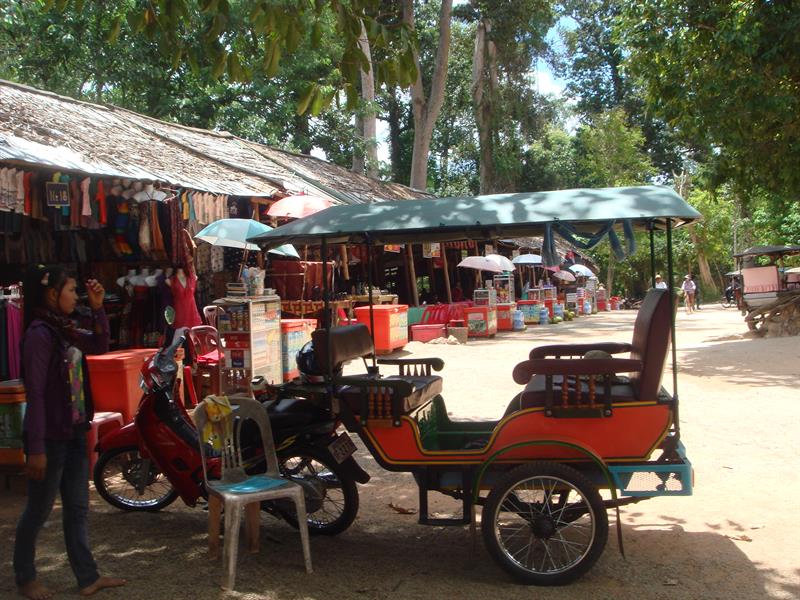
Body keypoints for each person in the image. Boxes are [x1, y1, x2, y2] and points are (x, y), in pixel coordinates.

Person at [14, 266, 125, 600]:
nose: (76, 295)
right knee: (38, 511)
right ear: (52, 294)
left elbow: (101, 344)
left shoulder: (64, 330)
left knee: (77, 508)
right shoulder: (39, 334)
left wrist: (97, 307)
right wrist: (36, 449)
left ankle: (87, 576)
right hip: (50, 438)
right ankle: (25, 577)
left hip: (76, 432)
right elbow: (34, 393)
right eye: (72, 290)